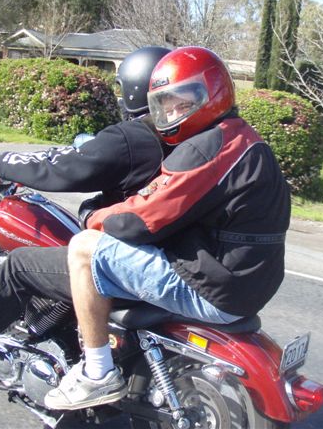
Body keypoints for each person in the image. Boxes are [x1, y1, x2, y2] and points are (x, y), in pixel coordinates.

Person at [43, 46, 291, 410]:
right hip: (250, 283)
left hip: (219, 290)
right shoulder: (243, 138)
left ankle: (97, 373)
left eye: (183, 103)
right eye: (165, 104)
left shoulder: (206, 150)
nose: (172, 113)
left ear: (212, 94)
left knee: (83, 248)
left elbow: (140, 220)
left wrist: (93, 217)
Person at [0, 46, 172, 368]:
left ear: (133, 87)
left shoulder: (132, 138)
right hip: (160, 254)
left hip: (127, 259)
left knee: (18, 266)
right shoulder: (179, 136)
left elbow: (62, 167)